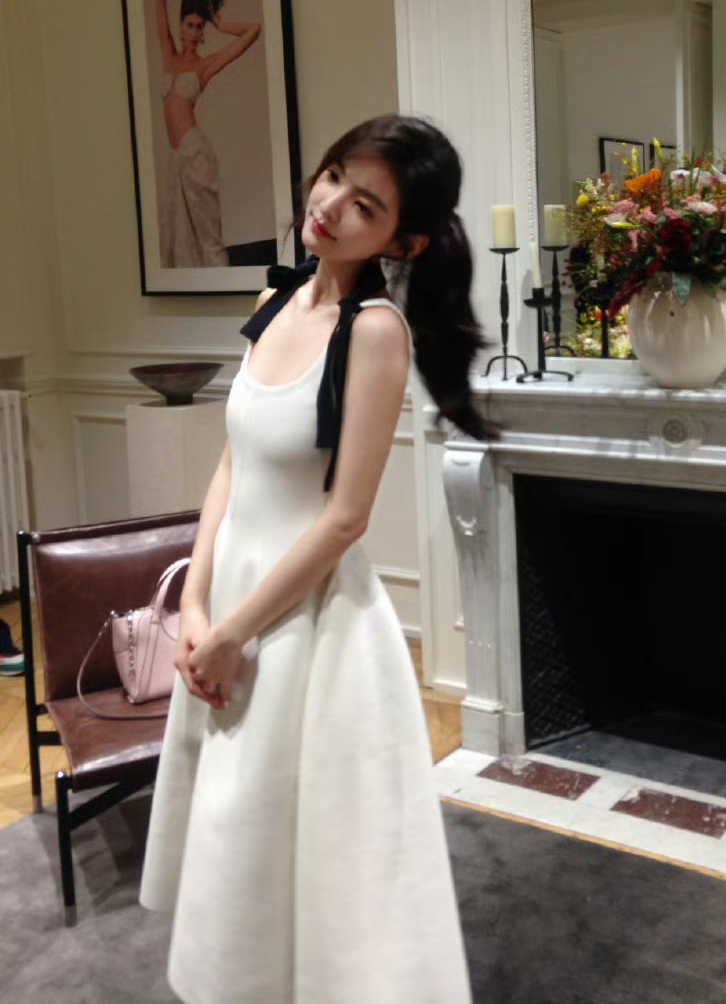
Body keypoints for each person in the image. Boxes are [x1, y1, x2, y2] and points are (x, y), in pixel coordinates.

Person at [140, 114, 490, 1004]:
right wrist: (195, 605)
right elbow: (233, 465)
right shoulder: (279, 299)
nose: (329, 204)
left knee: (300, 852)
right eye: (333, 175)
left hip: (307, 625)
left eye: (365, 204)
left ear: (404, 241)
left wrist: (236, 633)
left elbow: (344, 520)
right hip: (230, 606)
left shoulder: (375, 331)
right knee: (233, 837)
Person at [155, 0, 261, 268]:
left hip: (196, 152)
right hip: (176, 157)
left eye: (200, 27)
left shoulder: (205, 65)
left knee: (208, 235)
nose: (194, 32)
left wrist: (219, 23)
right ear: (180, 27)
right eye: (189, 25)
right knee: (174, 238)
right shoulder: (168, 56)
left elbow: (253, 30)